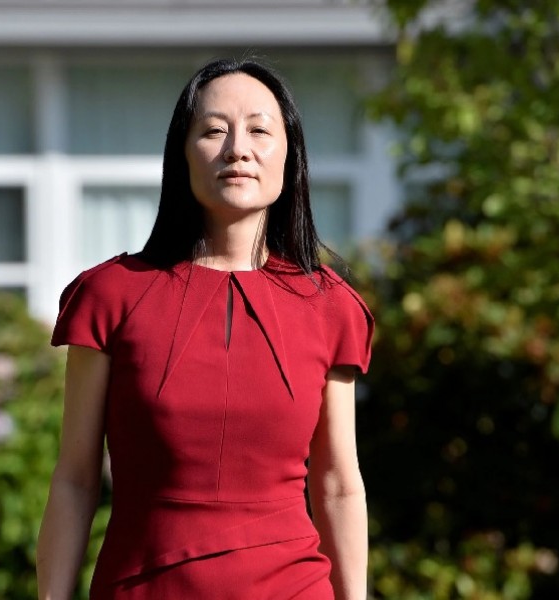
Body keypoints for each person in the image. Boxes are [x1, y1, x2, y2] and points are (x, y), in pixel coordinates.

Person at [36, 58, 373, 600]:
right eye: (214, 130)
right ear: (182, 152)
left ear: (290, 154)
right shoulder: (110, 295)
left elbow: (337, 484)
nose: (238, 149)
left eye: (260, 130)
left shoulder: (330, 305)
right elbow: (75, 478)